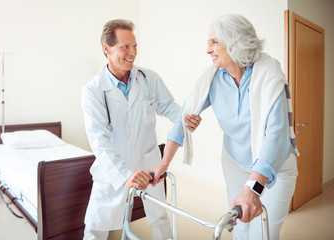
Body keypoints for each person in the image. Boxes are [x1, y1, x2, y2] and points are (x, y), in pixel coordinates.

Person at [150, 14, 299, 240]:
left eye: (214, 42)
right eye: (208, 43)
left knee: (262, 234)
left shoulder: (269, 72)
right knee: (239, 228)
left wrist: (252, 189)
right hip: (235, 162)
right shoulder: (214, 78)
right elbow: (183, 118)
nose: (208, 50)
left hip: (275, 166)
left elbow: (276, 137)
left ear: (235, 41)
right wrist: (163, 163)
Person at [81, 19, 201, 240]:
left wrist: (184, 119)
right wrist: (124, 175)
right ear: (107, 49)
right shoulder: (93, 91)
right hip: (113, 168)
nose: (132, 52)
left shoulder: (148, 78)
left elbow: (167, 107)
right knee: (97, 226)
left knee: (159, 217)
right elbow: (99, 140)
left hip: (148, 163)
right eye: (125, 46)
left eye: (134, 46)